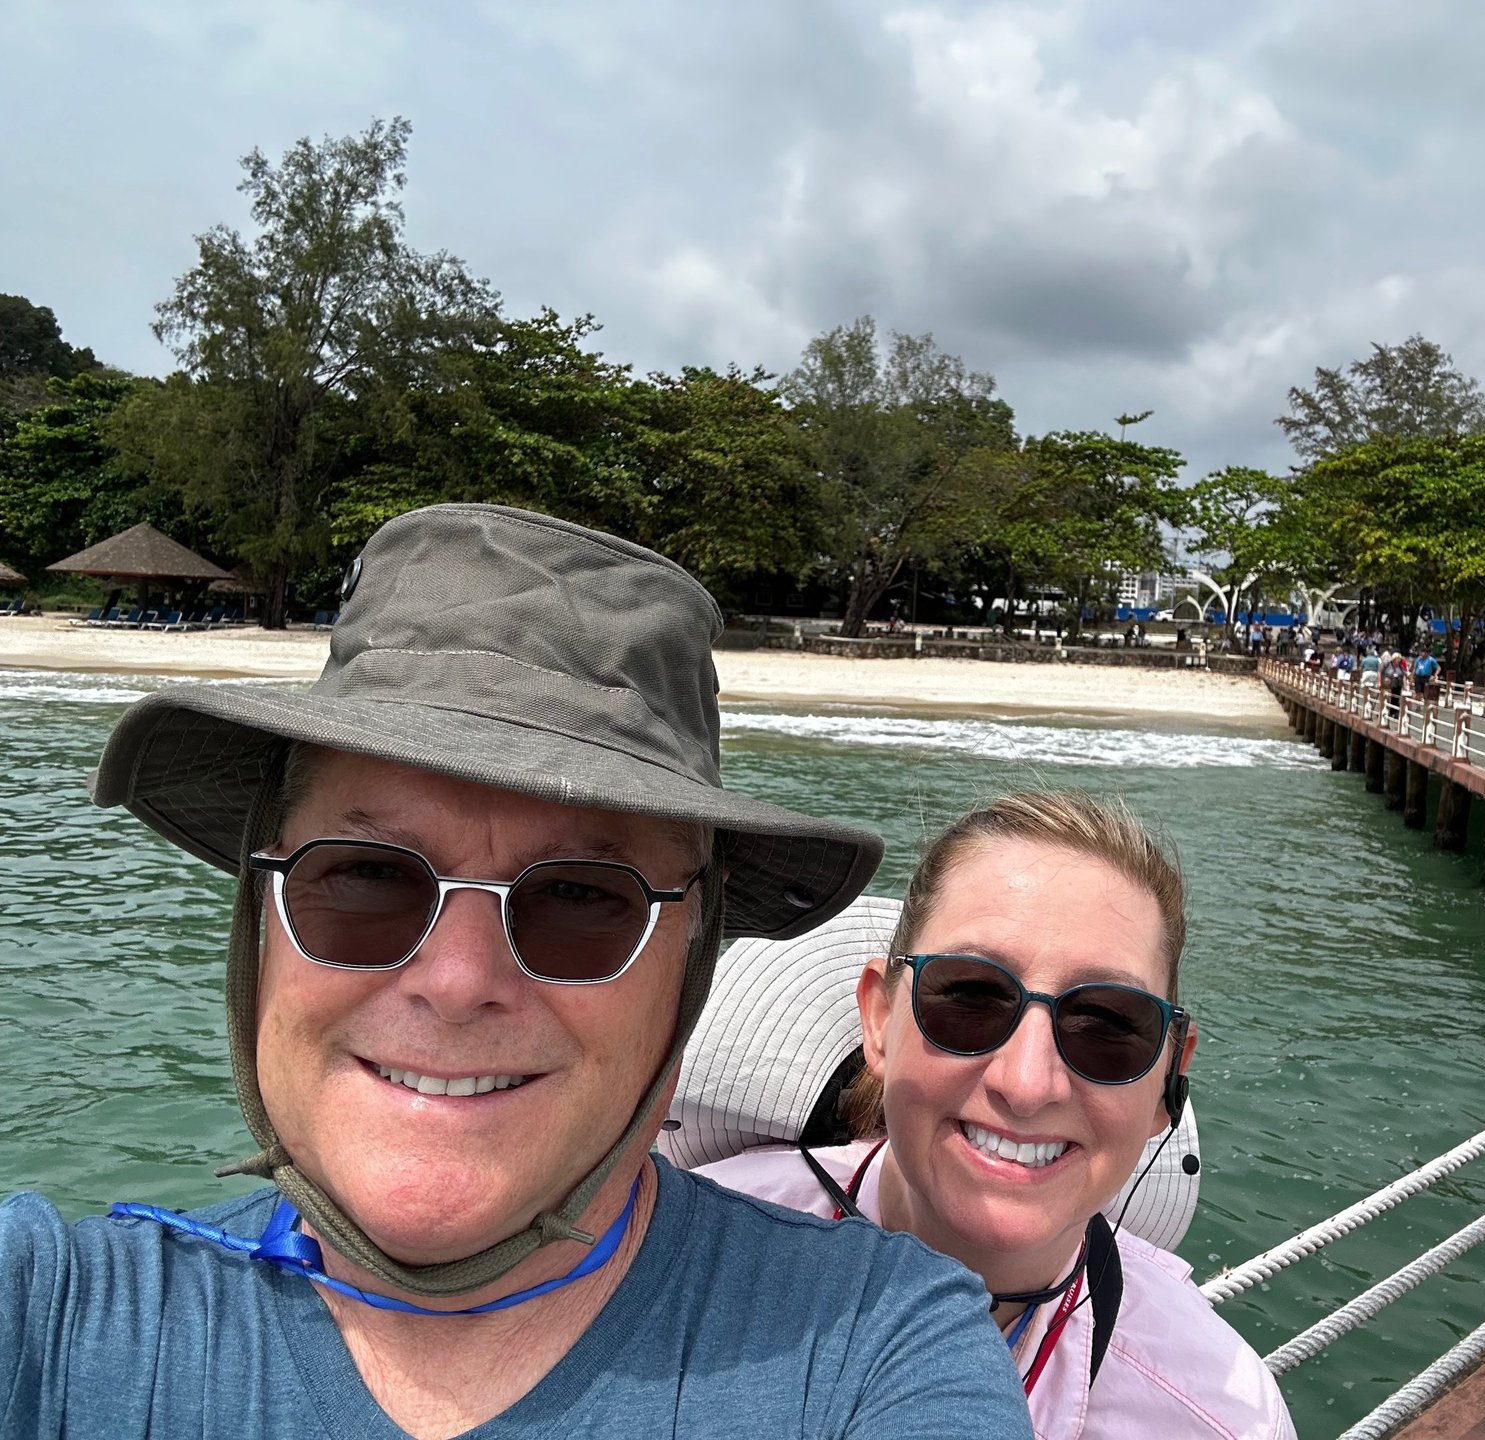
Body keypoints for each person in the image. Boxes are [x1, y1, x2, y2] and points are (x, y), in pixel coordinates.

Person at [0, 504, 1031, 1438]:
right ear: (261, 914)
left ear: (694, 954)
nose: (456, 981)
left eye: (580, 898)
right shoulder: (47, 1314)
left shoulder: (874, 1346)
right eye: (366, 877)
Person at [674, 793, 1295, 1439]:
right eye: (970, 998)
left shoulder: (1217, 1418)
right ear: (881, 1020)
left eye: (1107, 1025)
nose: (1027, 1084)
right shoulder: (675, 1263)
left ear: (1169, 1078)